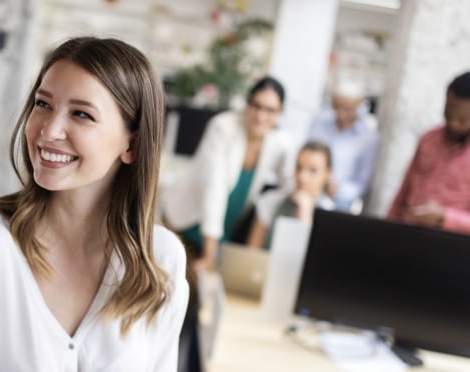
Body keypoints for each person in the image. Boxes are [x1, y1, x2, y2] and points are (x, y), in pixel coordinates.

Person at [0, 37, 189, 372]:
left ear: (132, 145)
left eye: (81, 114)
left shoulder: (162, 260)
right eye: (43, 104)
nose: (48, 130)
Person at [162, 77, 296, 270]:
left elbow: (289, 184)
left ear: (280, 112)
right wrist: (210, 254)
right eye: (256, 106)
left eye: (270, 110)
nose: (261, 115)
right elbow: (214, 188)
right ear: (247, 103)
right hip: (187, 222)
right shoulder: (223, 127)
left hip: (221, 233)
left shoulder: (280, 143)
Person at [387, 71, 470, 237]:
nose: (453, 124)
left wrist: (444, 217)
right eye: (448, 114)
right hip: (409, 238)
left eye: (462, 119)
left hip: (452, 248)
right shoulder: (429, 139)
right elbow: (401, 198)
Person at [246, 141, 336, 250]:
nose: (302, 177)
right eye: (299, 167)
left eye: (313, 170)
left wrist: (305, 217)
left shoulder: (332, 215)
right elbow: (252, 252)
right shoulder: (270, 201)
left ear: (327, 174)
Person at [307, 79, 379, 213]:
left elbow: (363, 182)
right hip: (310, 197)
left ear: (359, 105)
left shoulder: (368, 138)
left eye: (347, 108)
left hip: (341, 207)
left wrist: (338, 189)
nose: (340, 112)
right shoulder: (319, 123)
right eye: (336, 106)